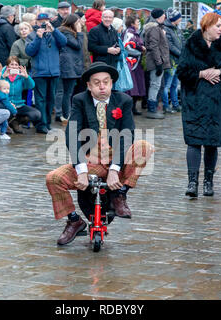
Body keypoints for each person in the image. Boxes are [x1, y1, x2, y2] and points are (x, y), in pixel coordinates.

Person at [46, 62, 154, 246]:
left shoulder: (124, 101)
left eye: (106, 82)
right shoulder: (80, 100)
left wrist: (115, 169)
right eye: (96, 83)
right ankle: (74, 221)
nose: (102, 86)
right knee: (53, 178)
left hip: (118, 161)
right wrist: (80, 169)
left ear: (112, 83)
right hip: (91, 162)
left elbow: (126, 137)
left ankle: (120, 195)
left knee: (144, 146)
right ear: (89, 86)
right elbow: (72, 134)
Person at [176, 12, 221, 199]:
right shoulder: (192, 43)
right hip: (194, 100)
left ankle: (208, 182)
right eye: (217, 25)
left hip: (217, 101)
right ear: (207, 26)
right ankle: (192, 181)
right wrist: (201, 74)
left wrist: (219, 71)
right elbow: (182, 71)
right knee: (193, 141)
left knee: (211, 143)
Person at [25, 13, 67, 134]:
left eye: (46, 21)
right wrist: (38, 37)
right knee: (40, 99)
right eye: (41, 21)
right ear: (36, 22)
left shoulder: (54, 33)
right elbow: (29, 51)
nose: (43, 23)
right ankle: (41, 125)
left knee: (51, 99)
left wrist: (54, 30)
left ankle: (48, 123)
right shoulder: (32, 35)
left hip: (53, 72)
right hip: (39, 73)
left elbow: (64, 42)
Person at [0, 56, 41, 133]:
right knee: (7, 111)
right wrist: (3, 77)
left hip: (19, 104)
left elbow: (31, 86)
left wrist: (26, 77)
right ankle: (6, 125)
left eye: (16, 64)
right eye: (12, 64)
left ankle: (16, 122)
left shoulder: (21, 76)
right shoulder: (2, 74)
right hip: (5, 104)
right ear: (7, 66)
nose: (14, 66)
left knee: (36, 114)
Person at [55, 14, 84, 121]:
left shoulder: (64, 32)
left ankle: (63, 114)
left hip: (69, 66)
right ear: (72, 23)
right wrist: (80, 32)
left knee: (64, 92)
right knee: (64, 92)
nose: (79, 24)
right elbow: (78, 45)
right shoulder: (66, 33)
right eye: (77, 22)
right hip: (68, 66)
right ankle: (63, 114)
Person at [143, 8, 170, 119]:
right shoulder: (154, 28)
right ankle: (151, 109)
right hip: (155, 62)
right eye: (164, 15)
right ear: (160, 16)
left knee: (156, 84)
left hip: (156, 61)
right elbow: (154, 46)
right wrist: (159, 63)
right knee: (155, 85)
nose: (165, 17)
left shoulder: (157, 28)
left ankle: (152, 108)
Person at [162, 8, 184, 114]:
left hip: (178, 61)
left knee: (175, 85)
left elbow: (183, 41)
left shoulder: (177, 29)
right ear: (174, 18)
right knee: (167, 85)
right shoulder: (167, 29)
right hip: (170, 61)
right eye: (179, 17)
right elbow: (169, 45)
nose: (180, 19)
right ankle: (166, 106)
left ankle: (176, 104)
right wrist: (181, 53)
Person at [123, 15, 146, 115]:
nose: (138, 23)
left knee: (137, 85)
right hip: (132, 62)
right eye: (137, 21)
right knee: (132, 86)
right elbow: (127, 46)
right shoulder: (129, 33)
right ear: (132, 23)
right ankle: (130, 109)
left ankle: (133, 108)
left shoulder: (134, 33)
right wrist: (141, 49)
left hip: (136, 62)